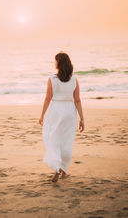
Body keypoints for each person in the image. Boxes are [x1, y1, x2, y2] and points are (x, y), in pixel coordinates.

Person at [39, 52, 85, 182]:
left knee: (52, 137)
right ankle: (63, 169)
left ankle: (57, 167)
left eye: (55, 61)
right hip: (69, 112)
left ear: (58, 64)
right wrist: (82, 118)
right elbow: (77, 100)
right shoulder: (74, 79)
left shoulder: (52, 79)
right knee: (67, 140)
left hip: (56, 110)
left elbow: (48, 98)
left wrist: (42, 115)